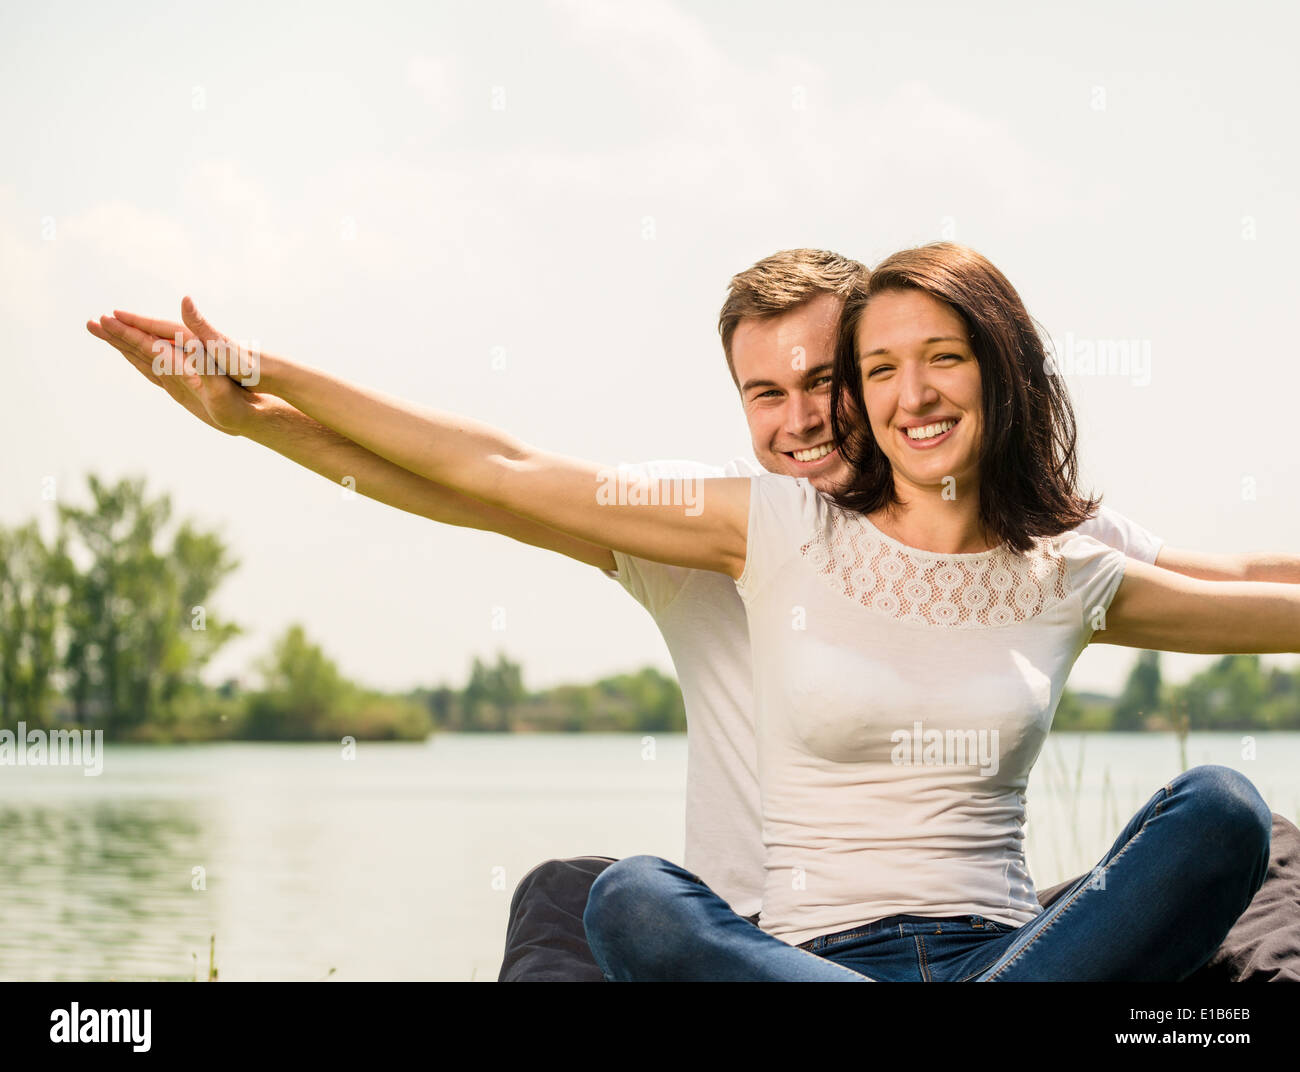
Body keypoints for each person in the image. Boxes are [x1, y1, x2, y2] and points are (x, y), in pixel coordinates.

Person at [88, 247, 1298, 981]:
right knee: (598, 893)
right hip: (763, 945)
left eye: (834, 378)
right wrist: (260, 404)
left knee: (1232, 822)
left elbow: (1239, 584)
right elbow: (482, 472)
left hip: (986, 940)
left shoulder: (1043, 553)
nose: (804, 419)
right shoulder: (726, 529)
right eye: (763, 394)